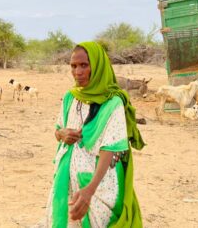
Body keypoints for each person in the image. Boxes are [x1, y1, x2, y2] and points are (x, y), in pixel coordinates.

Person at [45, 42, 145, 227]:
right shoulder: (70, 97)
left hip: (99, 186)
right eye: (73, 66)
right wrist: (61, 134)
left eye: (84, 65)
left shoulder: (112, 102)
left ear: (97, 66)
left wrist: (89, 190)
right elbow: (58, 130)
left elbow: (110, 148)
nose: (78, 72)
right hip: (67, 179)